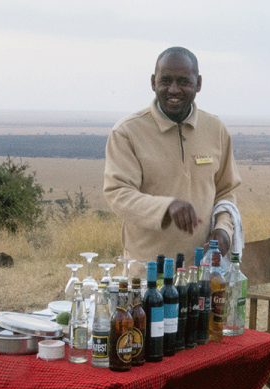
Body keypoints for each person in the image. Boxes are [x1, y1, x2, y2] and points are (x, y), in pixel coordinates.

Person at [103, 46, 240, 264]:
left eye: (183, 81)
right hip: (148, 273)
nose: (174, 89)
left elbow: (226, 192)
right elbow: (118, 193)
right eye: (165, 80)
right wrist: (167, 207)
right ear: (152, 82)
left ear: (199, 83)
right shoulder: (127, 132)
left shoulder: (216, 130)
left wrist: (224, 230)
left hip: (203, 271)